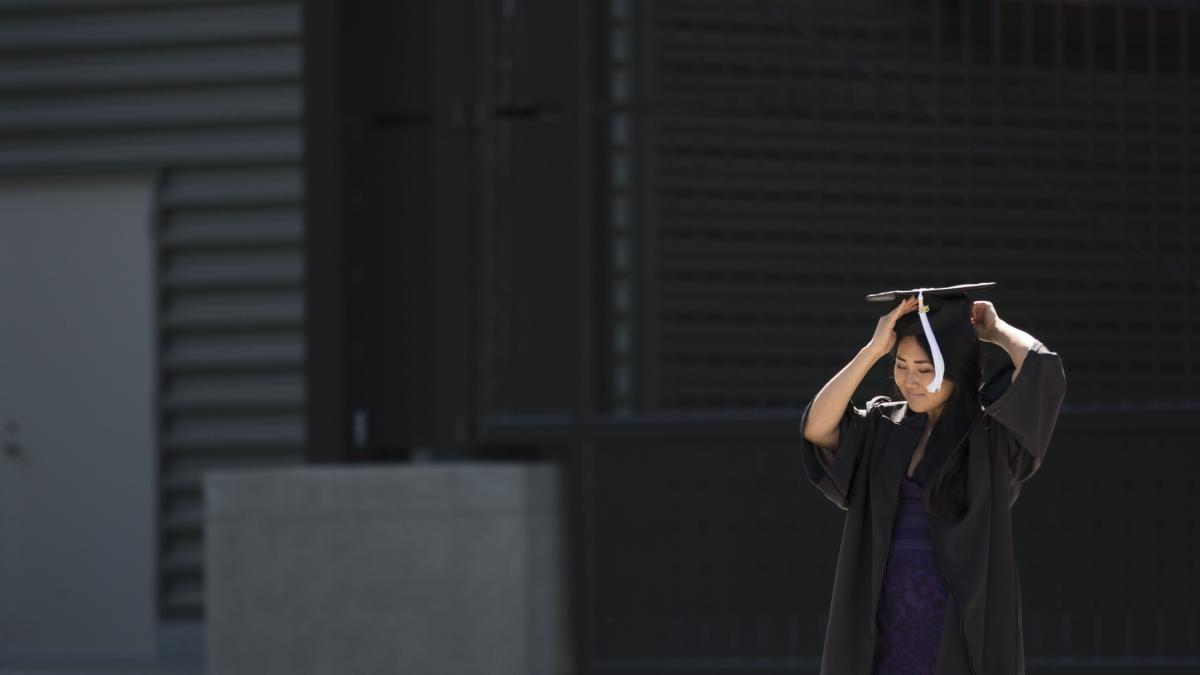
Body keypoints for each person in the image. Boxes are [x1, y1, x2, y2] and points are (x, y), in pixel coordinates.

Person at [799, 283, 1067, 675]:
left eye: (925, 369)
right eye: (901, 366)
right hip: (883, 603)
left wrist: (995, 331)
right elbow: (817, 428)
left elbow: (1043, 369)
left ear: (955, 370)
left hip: (956, 615)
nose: (910, 381)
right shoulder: (883, 427)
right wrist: (873, 350)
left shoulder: (989, 437)